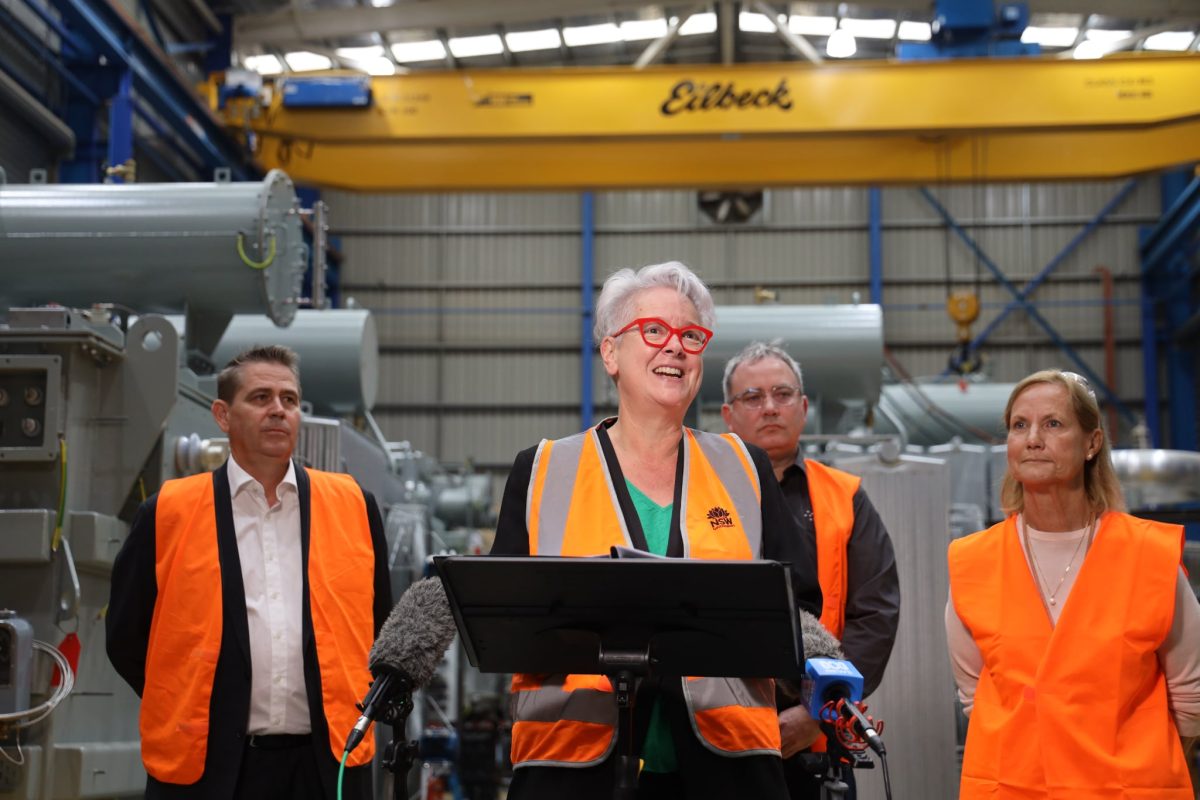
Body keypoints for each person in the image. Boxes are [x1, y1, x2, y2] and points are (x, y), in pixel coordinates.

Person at [490, 261, 823, 800]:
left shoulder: (744, 468)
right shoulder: (543, 471)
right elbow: (503, 621)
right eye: (654, 331)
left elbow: (800, 605)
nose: (675, 348)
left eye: (691, 336)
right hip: (573, 769)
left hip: (729, 770)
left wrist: (808, 705)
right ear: (610, 353)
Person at [106, 345, 392, 800]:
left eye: (289, 400)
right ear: (223, 415)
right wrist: (190, 701)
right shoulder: (167, 512)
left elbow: (381, 625)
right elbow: (125, 637)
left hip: (325, 764)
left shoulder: (354, 505)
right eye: (260, 398)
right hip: (207, 770)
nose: (278, 410)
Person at [946, 369, 1200, 799]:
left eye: (1053, 424)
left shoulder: (1149, 556)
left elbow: (1190, 700)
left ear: (1092, 443)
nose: (1032, 439)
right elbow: (976, 696)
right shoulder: (974, 561)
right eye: (1019, 426)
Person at [720, 342, 900, 798]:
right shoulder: (699, 499)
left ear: (803, 407)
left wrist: (817, 709)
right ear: (728, 415)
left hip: (818, 747)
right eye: (753, 397)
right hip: (717, 742)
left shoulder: (845, 497)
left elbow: (875, 613)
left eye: (782, 394)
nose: (770, 407)